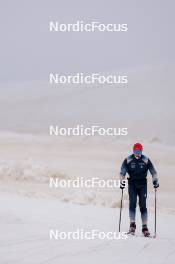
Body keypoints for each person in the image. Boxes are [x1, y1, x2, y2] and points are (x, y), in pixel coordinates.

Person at [119, 143, 159, 236]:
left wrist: (155, 181)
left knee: (142, 205)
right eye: (135, 151)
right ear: (133, 151)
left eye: (139, 151)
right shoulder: (128, 159)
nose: (137, 153)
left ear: (141, 151)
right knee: (132, 203)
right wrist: (122, 181)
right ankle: (132, 225)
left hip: (142, 185)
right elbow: (122, 172)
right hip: (132, 184)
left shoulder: (145, 159)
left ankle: (144, 227)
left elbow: (153, 172)